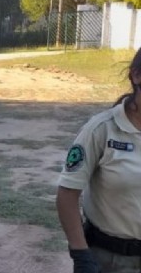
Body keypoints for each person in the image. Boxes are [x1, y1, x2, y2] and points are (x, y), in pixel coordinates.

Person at [56, 48, 141, 273]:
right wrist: (81, 254)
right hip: (109, 259)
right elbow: (67, 193)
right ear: (136, 75)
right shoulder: (101, 130)